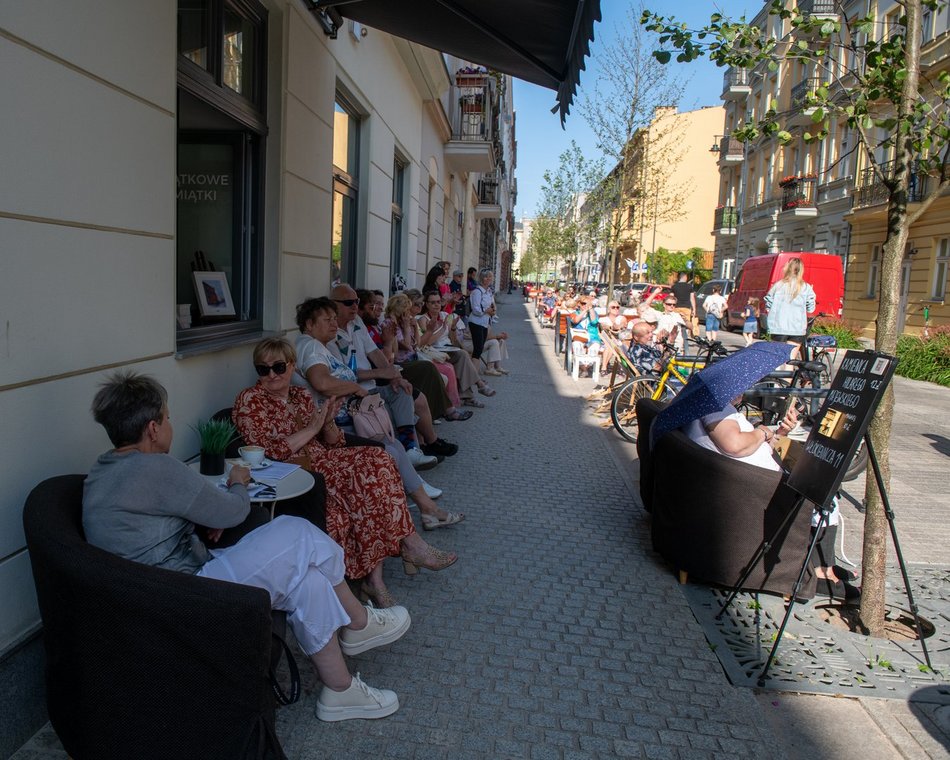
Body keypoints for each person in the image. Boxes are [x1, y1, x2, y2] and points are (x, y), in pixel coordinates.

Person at [83, 371, 411, 721]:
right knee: (299, 533)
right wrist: (238, 482)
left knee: (308, 578)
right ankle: (358, 622)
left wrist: (198, 520)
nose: (169, 425)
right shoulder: (156, 468)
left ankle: (340, 690)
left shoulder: (103, 470)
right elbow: (234, 512)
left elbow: (149, 522)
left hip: (151, 595)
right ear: (152, 428)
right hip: (186, 593)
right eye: (166, 418)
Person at [234, 338, 459, 609]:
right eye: (263, 369)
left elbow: (334, 441)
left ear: (292, 365)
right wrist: (312, 428)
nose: (271, 375)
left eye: (278, 367)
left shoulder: (301, 395)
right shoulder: (250, 400)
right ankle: (400, 557)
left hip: (323, 459)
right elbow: (265, 452)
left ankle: (384, 569)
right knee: (367, 483)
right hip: (292, 470)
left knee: (381, 460)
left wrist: (327, 421)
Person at [291, 306, 464, 532]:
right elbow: (321, 383)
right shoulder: (311, 346)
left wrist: (390, 374)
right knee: (390, 450)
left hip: (347, 418)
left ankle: (426, 506)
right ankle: (419, 510)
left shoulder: (320, 346)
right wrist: (354, 388)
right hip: (334, 426)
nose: (334, 323)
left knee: (395, 444)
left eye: (335, 318)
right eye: (327, 319)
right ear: (309, 325)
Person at [684, 397, 857, 601]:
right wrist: (763, 431)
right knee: (826, 497)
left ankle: (820, 567)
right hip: (755, 488)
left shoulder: (705, 408)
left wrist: (779, 433)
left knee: (823, 489)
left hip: (746, 480)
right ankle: (814, 573)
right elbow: (734, 445)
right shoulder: (715, 408)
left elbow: (743, 445)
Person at [335, 285, 456, 460]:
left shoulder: (358, 323)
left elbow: (378, 353)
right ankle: (424, 444)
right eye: (349, 303)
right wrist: (387, 367)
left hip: (378, 379)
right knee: (425, 373)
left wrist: (395, 377)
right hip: (359, 392)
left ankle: (415, 448)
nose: (378, 310)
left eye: (357, 302)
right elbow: (398, 351)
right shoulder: (330, 336)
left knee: (406, 389)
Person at [764, 257, 816, 357]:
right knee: (791, 359)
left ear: (787, 269)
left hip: (778, 327)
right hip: (797, 328)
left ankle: (778, 372)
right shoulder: (806, 287)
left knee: (777, 359)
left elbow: (768, 305)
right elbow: (811, 309)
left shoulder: (778, 285)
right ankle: (789, 372)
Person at [467, 268, 496, 362]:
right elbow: (476, 309)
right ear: (481, 278)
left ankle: (475, 373)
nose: (489, 279)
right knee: (478, 349)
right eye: (486, 277)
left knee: (480, 349)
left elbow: (492, 304)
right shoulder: (477, 292)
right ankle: (473, 374)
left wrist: (493, 311)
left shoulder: (489, 292)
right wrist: (486, 311)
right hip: (476, 322)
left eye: (490, 276)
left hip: (484, 322)